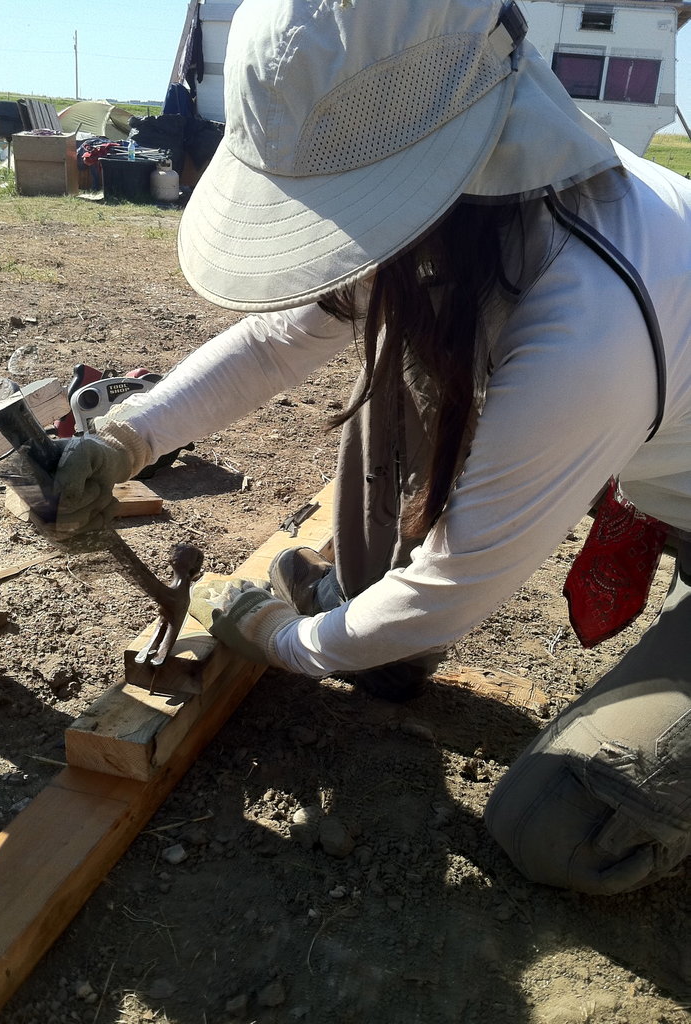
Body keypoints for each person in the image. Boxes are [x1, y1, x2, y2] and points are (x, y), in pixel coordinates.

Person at [53, 0, 691, 895]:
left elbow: (453, 588)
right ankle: (366, 624)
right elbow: (277, 340)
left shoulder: (589, 318)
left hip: (643, 438)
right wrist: (129, 436)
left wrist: (285, 640)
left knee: (557, 827)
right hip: (648, 438)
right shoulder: (478, 209)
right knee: (416, 331)